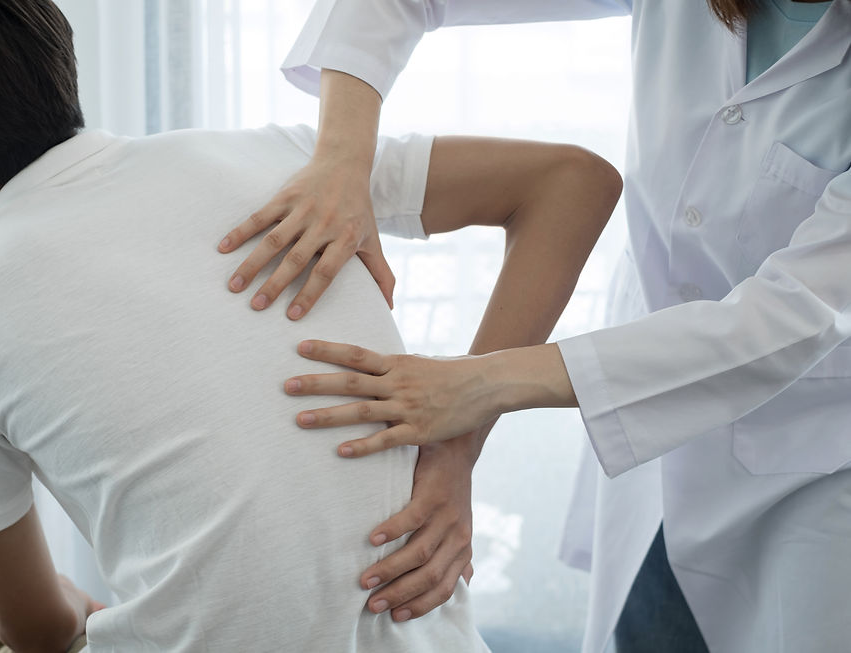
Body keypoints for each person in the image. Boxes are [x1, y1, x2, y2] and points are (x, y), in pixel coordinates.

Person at [0, 0, 622, 650]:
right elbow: (573, 181)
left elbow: (36, 628)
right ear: (60, 61)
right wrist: (456, 445)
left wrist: (83, 609)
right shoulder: (282, 158)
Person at [217, 1, 851, 652]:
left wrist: (474, 394)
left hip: (807, 471)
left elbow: (789, 316)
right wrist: (342, 163)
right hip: (654, 464)